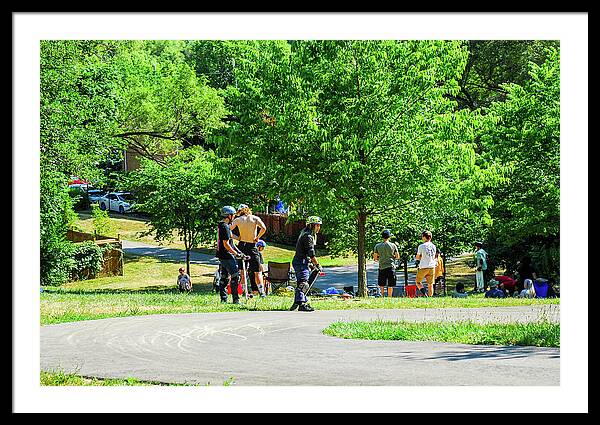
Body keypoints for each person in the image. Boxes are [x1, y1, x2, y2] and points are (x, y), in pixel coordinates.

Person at [230, 204, 268, 298]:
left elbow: (228, 230)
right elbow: (264, 228)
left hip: (242, 245)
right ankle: (262, 292)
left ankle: (244, 292)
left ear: (240, 211)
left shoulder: (238, 220)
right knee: (257, 271)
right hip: (252, 245)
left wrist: (237, 237)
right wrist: (257, 237)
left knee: (242, 271)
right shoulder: (255, 218)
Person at [216, 206, 249, 304]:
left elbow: (231, 243)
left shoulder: (224, 226)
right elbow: (226, 244)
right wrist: (235, 254)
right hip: (225, 255)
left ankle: (224, 299)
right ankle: (236, 300)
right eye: (233, 215)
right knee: (235, 276)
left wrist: (240, 253)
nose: (234, 217)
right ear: (228, 215)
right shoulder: (224, 227)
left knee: (224, 277)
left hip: (224, 255)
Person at [290, 216, 323, 312]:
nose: (319, 228)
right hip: (300, 262)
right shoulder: (308, 236)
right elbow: (311, 253)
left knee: (302, 282)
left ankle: (298, 302)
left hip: (301, 261)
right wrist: (317, 264)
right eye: (317, 225)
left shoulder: (305, 234)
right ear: (312, 225)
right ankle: (301, 304)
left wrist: (310, 263)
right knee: (304, 283)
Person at [373, 229, 400, 298]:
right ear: (389, 237)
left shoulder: (377, 246)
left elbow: (375, 258)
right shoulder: (393, 245)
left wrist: (380, 258)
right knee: (390, 284)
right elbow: (397, 256)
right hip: (391, 266)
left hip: (382, 267)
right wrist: (392, 257)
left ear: (382, 237)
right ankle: (389, 297)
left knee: (382, 284)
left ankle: (382, 296)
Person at [415, 231, 437, 297]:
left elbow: (418, 257)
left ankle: (424, 294)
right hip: (432, 266)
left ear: (424, 237)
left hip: (423, 266)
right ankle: (430, 297)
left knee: (418, 282)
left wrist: (420, 257)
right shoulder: (434, 246)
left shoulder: (421, 246)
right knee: (430, 284)